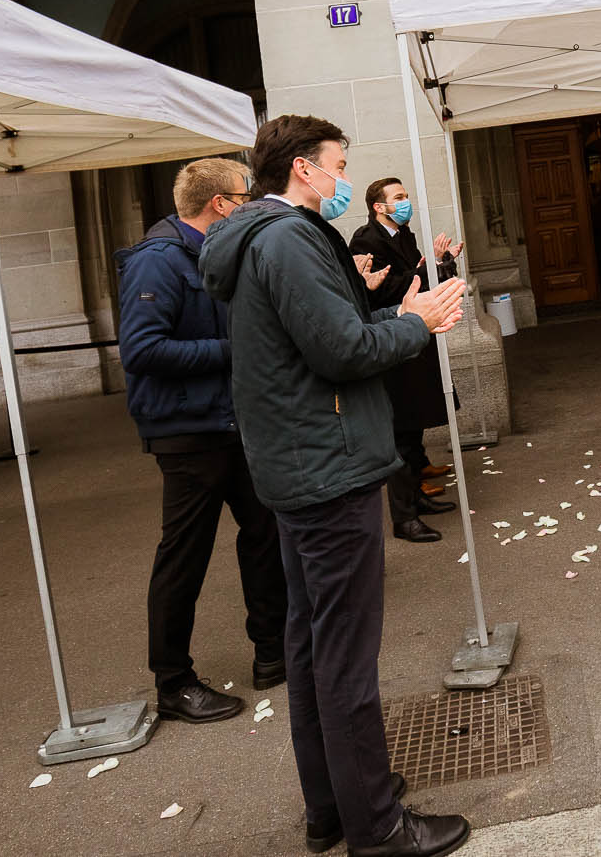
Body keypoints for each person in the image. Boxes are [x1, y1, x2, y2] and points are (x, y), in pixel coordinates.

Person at [200, 115, 472, 857]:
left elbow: (322, 333)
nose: (344, 176)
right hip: (326, 464)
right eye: (339, 163)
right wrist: (417, 323)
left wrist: (396, 311)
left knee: (312, 643)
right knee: (343, 656)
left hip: (300, 462)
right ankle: (378, 826)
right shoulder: (286, 237)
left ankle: (334, 803)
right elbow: (340, 349)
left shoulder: (264, 235)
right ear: (301, 168)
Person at [116, 157, 288, 726]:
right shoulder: (157, 261)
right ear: (222, 205)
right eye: (246, 197)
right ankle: (173, 682)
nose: (251, 205)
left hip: (233, 422)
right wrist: (234, 353)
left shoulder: (214, 252)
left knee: (264, 533)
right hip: (187, 433)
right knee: (183, 557)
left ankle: (273, 651)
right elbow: (142, 350)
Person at [350, 178, 463, 545]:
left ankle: (417, 497)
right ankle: (404, 518)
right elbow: (384, 290)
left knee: (412, 427)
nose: (406, 202)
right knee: (398, 433)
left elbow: (417, 280)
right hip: (391, 341)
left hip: (413, 338)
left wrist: (441, 264)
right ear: (378, 207)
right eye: (398, 197)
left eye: (405, 195)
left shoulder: (405, 234)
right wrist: (420, 270)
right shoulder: (366, 240)